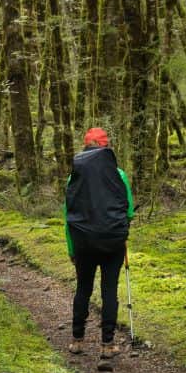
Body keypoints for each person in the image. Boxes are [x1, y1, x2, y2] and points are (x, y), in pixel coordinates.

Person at [63, 127, 134, 359]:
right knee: (109, 291)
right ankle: (107, 344)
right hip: (113, 243)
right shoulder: (118, 174)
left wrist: (72, 248)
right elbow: (129, 212)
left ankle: (77, 340)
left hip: (83, 243)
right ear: (106, 147)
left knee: (83, 288)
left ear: (85, 147)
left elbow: (68, 217)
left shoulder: (74, 176)